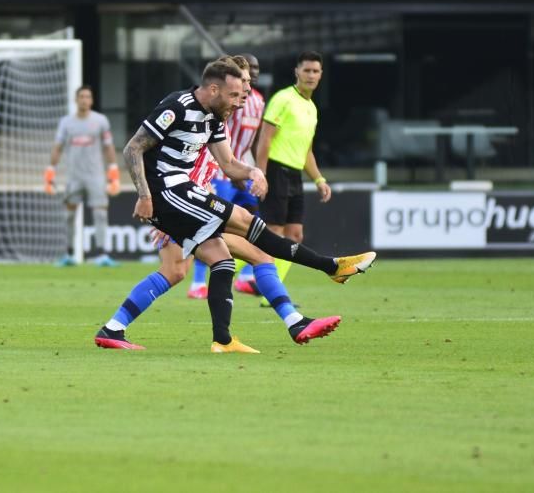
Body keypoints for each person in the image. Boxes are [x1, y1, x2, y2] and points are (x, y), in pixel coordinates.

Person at [94, 58, 376, 352]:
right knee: (245, 226)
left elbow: (228, 163)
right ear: (215, 89)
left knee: (220, 260)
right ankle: (329, 267)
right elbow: (132, 147)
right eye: (236, 92)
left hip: (187, 195)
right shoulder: (177, 106)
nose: (241, 99)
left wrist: (254, 172)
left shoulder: (216, 119)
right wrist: (145, 197)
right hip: (171, 193)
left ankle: (219, 339)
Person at [187, 53, 265, 300]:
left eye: (255, 68)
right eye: (246, 69)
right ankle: (198, 282)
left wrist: (254, 169)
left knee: (252, 222)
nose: (251, 73)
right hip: (219, 171)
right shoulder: (228, 98)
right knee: (211, 227)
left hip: (241, 168)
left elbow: (254, 140)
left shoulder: (259, 101)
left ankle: (245, 278)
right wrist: (233, 171)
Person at [255, 51, 331, 292]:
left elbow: (306, 150)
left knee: (295, 235)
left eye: (315, 71)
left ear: (321, 75)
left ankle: (270, 292)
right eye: (306, 70)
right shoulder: (283, 99)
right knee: (273, 234)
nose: (311, 75)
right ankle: (247, 277)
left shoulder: (312, 108)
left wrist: (318, 178)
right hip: (276, 170)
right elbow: (264, 140)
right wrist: (261, 175)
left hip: (295, 174)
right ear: (297, 72)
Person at [44, 85, 121, 267]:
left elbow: (108, 146)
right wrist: (50, 170)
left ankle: (101, 254)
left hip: (95, 176)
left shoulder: (100, 121)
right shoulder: (66, 122)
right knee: (69, 216)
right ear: (76, 99)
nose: (84, 100)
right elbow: (58, 147)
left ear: (92, 100)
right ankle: (69, 254)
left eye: (88, 97)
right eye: (81, 97)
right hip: (74, 176)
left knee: (100, 214)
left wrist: (113, 171)